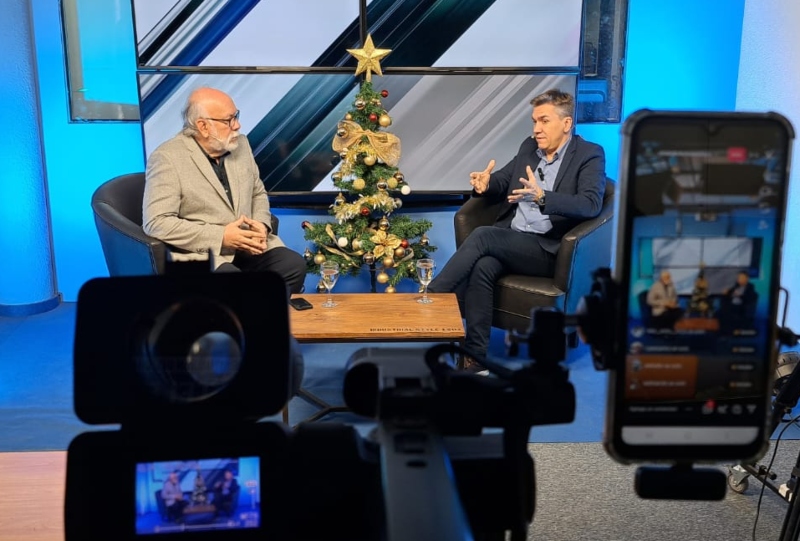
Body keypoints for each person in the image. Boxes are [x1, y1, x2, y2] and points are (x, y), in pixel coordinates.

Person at [427, 89, 606, 368]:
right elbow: (504, 179)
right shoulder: (529, 148)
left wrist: (543, 197)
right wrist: (487, 183)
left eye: (544, 121)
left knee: (483, 236)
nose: (537, 129)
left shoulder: (589, 154)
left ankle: (432, 297)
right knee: (483, 266)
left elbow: (590, 204)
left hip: (549, 249)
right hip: (514, 240)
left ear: (567, 123)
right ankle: (475, 358)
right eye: (534, 121)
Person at [142, 87, 306, 293]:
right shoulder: (167, 158)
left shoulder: (241, 144)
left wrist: (262, 225)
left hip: (247, 246)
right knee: (233, 285)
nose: (237, 125)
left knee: (293, 266)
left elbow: (257, 192)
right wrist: (221, 236)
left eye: (236, 116)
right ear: (203, 126)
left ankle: (263, 312)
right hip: (202, 252)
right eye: (229, 120)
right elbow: (156, 222)